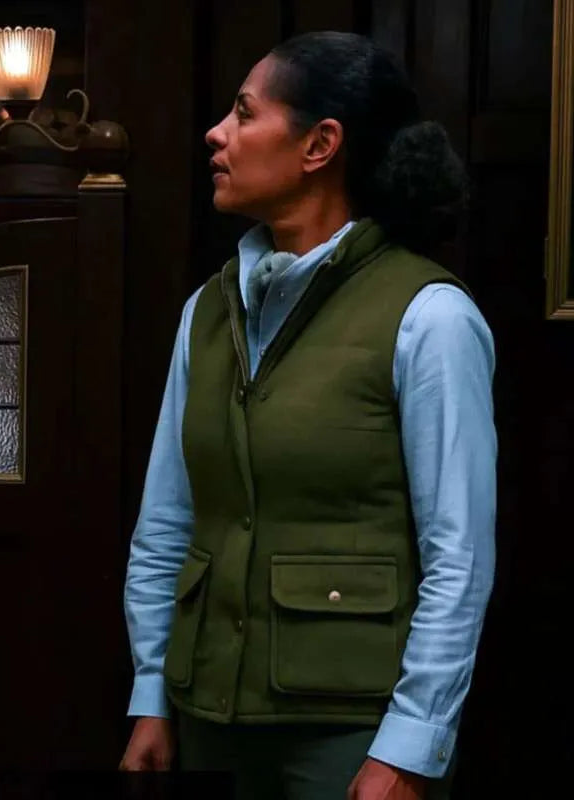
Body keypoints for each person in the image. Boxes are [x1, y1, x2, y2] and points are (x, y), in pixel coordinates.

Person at [119, 31, 496, 800]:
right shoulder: (206, 312)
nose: (216, 134)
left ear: (320, 145)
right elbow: (166, 524)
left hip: (353, 735)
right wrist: (151, 693)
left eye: (243, 113)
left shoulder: (430, 317)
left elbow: (458, 557)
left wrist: (411, 748)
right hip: (208, 721)